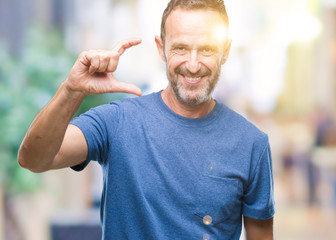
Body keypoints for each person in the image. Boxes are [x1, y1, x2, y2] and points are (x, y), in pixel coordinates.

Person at [18, 0, 275, 239]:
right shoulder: (117, 122)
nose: (193, 65)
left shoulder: (251, 144)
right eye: (181, 48)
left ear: (226, 51)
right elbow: (33, 159)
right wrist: (71, 90)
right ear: (161, 48)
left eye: (207, 49)